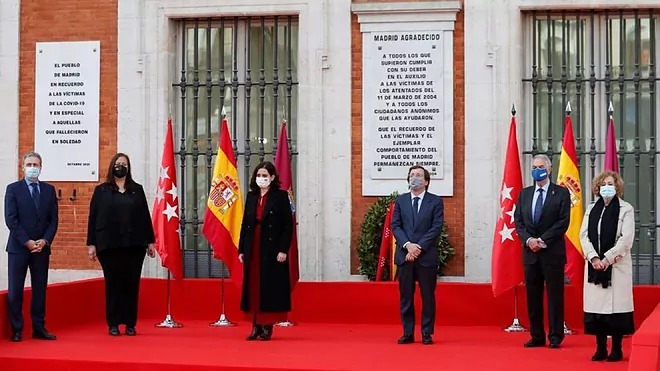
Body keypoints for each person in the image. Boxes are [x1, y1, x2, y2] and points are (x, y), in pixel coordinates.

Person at [86, 153, 156, 336]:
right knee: (113, 284)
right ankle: (113, 323)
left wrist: (150, 241)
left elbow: (144, 216)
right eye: (117, 164)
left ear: (129, 167)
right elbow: (93, 218)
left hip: (134, 245)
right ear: (112, 166)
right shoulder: (101, 191)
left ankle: (130, 323)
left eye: (124, 164)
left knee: (131, 285)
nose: (120, 167)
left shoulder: (137, 190)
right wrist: (91, 244)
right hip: (109, 246)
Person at [514, 154, 571, 349]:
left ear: (549, 170)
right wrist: (529, 240)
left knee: (555, 296)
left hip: (552, 253)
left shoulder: (561, 193)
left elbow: (563, 222)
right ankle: (536, 335)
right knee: (533, 296)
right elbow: (518, 221)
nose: (537, 170)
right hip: (530, 254)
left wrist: (542, 240)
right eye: (534, 166)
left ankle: (555, 336)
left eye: (540, 166)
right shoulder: (525, 194)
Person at [579, 171, 635, 362]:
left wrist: (607, 259)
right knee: (598, 311)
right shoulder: (591, 208)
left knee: (615, 312)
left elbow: (626, 239)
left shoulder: (626, 209)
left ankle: (617, 349)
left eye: (610, 183)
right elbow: (583, 236)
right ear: (598, 187)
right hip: (595, 267)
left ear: (617, 186)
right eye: (603, 184)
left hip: (616, 268)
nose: (607, 187)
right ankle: (600, 348)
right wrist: (594, 258)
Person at [4, 151, 59, 342]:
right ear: (23, 167)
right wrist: (26, 242)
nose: (32, 168)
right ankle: (17, 329)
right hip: (19, 248)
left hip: (41, 249)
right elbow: (11, 219)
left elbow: (53, 220)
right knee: (16, 290)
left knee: (39, 290)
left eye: (36, 165)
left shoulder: (49, 190)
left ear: (41, 167)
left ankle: (39, 327)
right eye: (29, 165)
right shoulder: (13, 189)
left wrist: (44, 240)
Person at [238, 161, 293, 341]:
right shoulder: (252, 196)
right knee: (253, 285)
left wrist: (283, 249)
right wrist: (241, 248)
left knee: (268, 286)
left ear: (272, 178)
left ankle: (267, 326)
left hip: (272, 248)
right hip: (252, 244)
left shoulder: (281, 196)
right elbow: (245, 224)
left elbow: (287, 226)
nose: (261, 179)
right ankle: (255, 326)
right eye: (259, 176)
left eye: (265, 176)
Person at [391, 165, 444, 345]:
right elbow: (396, 226)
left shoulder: (435, 201)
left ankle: (427, 333)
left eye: (419, 175)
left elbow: (436, 227)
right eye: (412, 175)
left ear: (426, 181)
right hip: (405, 256)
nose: (415, 177)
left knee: (428, 296)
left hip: (426, 257)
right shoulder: (401, 201)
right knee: (406, 296)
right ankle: (407, 332)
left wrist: (418, 248)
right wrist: (408, 246)